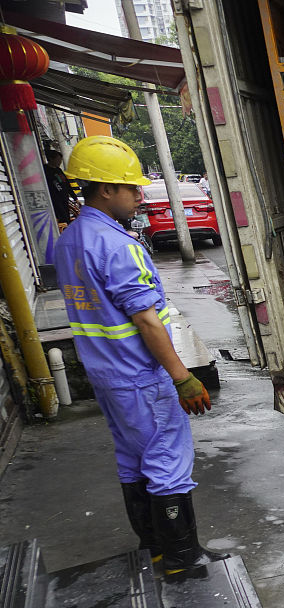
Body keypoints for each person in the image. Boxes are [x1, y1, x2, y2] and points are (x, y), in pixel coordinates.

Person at [54, 135, 227, 575]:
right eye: (132, 187)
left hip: (106, 374)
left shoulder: (71, 240)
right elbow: (147, 321)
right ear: (106, 189)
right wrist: (182, 376)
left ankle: (155, 547)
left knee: (132, 459)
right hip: (139, 376)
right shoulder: (118, 246)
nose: (139, 196)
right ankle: (182, 557)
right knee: (167, 459)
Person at [43, 149, 77, 225]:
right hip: (54, 200)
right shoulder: (45, 170)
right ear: (51, 159)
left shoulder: (58, 170)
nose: (60, 162)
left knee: (66, 218)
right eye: (58, 159)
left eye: (60, 160)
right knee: (61, 219)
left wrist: (74, 197)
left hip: (64, 198)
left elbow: (67, 184)